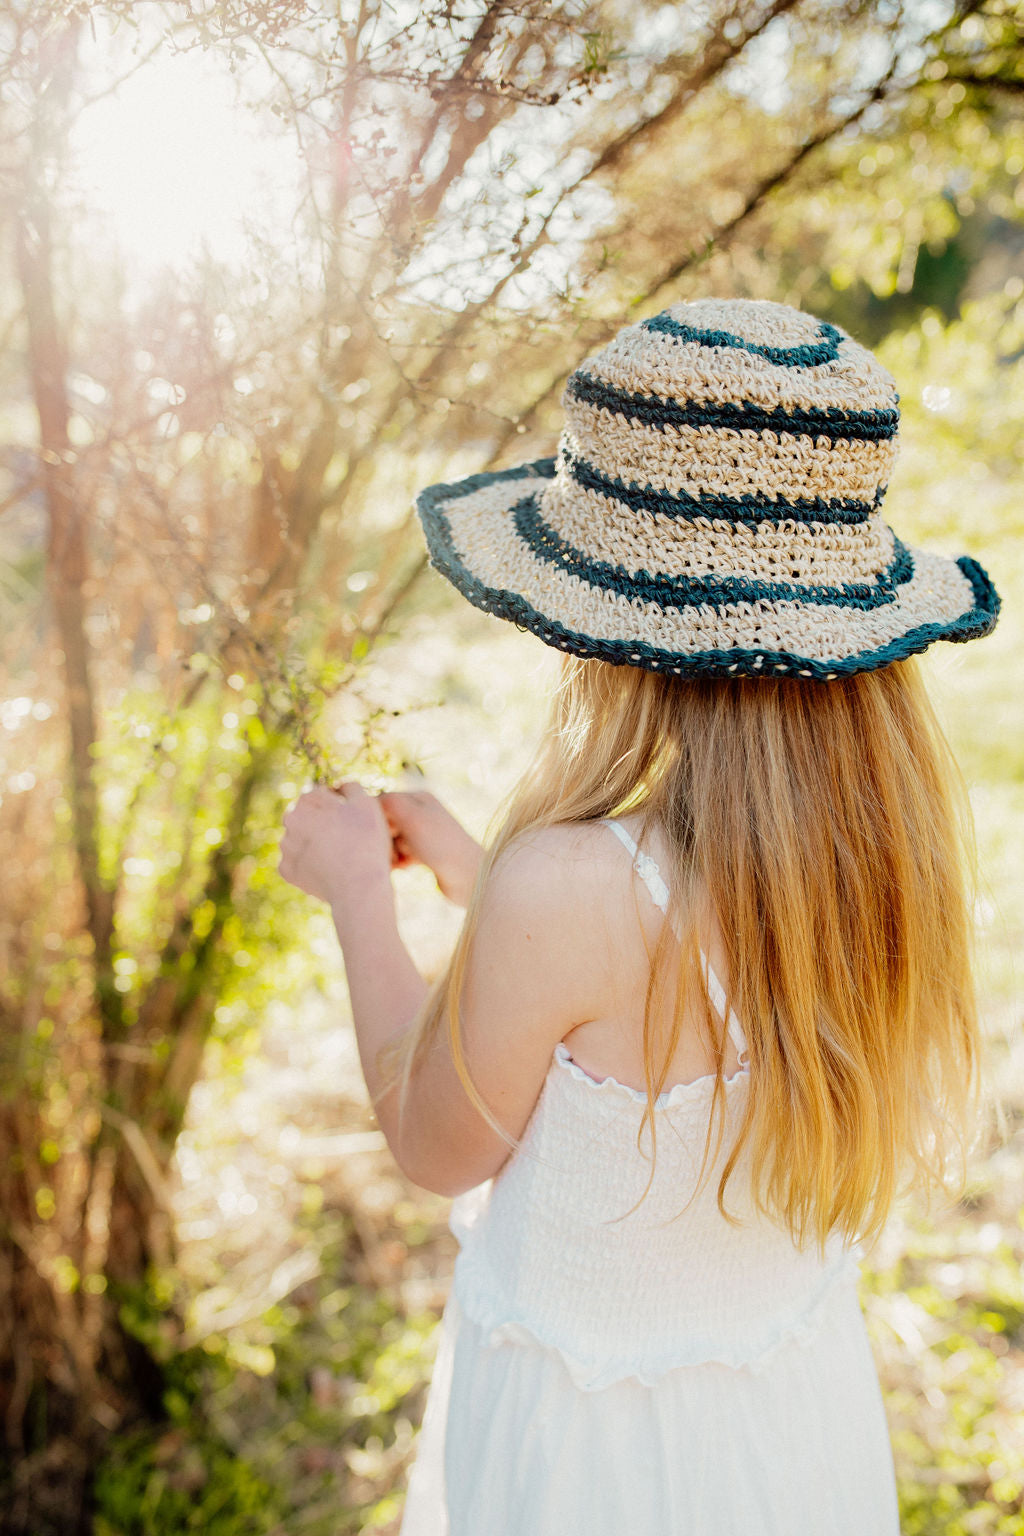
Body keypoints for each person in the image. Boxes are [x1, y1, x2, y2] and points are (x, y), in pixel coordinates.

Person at [277, 297, 1001, 1534]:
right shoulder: (872, 866)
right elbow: (661, 984)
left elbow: (430, 1141)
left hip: (590, 1470)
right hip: (789, 1434)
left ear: (609, 623)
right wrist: (474, 879)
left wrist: (357, 898)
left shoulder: (566, 887)